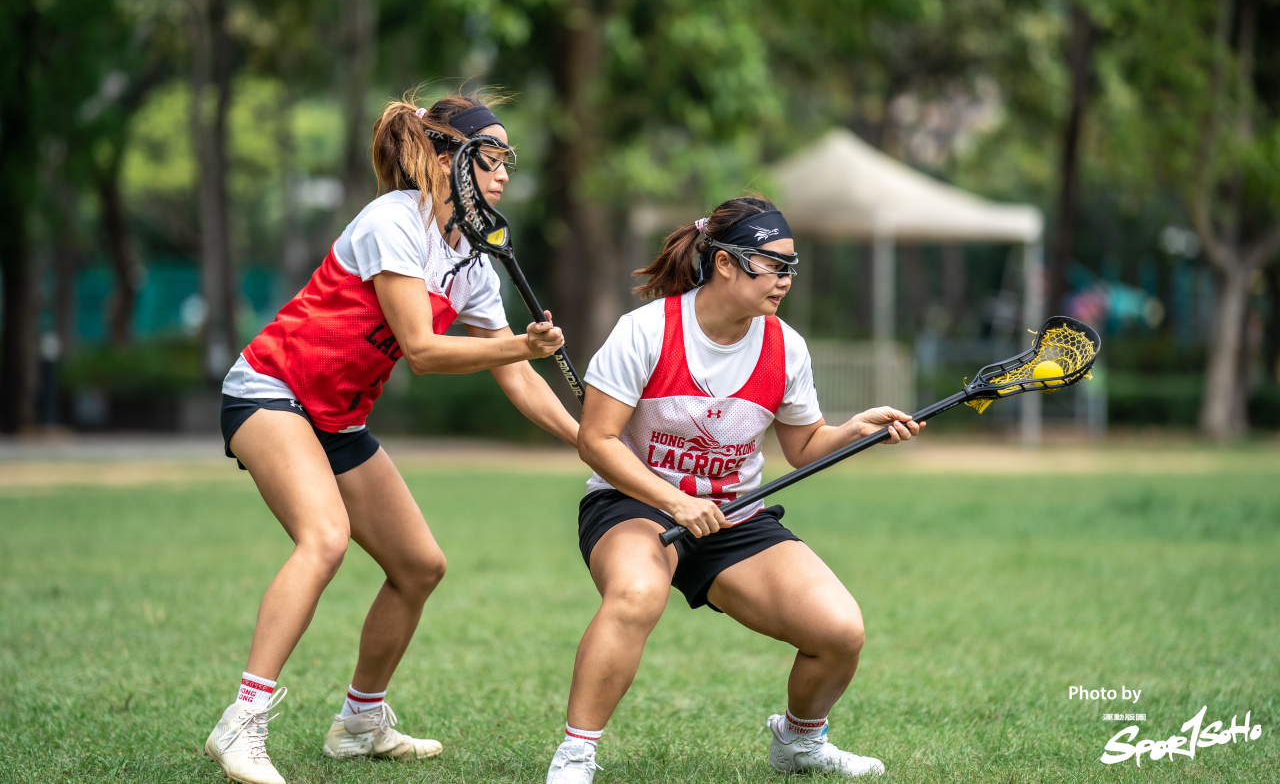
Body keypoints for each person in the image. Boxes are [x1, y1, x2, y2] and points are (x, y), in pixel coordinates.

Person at [205, 91, 579, 784]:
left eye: (507, 164)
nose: (501, 176)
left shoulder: (469, 256)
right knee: (324, 538)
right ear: (441, 157)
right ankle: (242, 721)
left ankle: (359, 721)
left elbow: (518, 379)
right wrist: (520, 349)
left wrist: (588, 440)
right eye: (487, 160)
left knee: (419, 565)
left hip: (339, 418)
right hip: (270, 390)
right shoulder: (391, 222)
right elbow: (423, 349)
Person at [543, 197, 923, 783]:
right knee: (638, 593)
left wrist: (853, 432)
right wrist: (674, 502)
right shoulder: (645, 331)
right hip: (633, 503)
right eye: (775, 265)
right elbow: (597, 441)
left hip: (734, 516)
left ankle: (800, 741)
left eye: (793, 267)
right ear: (725, 264)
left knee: (839, 631)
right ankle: (575, 755)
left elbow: (804, 447)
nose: (786, 281)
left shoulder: (785, 347)